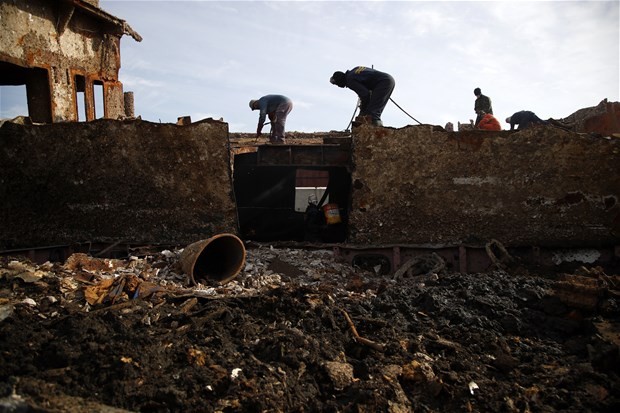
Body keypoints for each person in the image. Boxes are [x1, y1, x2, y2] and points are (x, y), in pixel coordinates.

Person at [330, 66, 395, 127]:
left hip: (383, 82)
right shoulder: (353, 71)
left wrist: (362, 111)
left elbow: (365, 95)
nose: (338, 86)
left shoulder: (349, 80)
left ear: (340, 81)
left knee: (372, 114)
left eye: (337, 84)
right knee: (371, 112)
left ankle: (377, 134)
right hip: (387, 79)